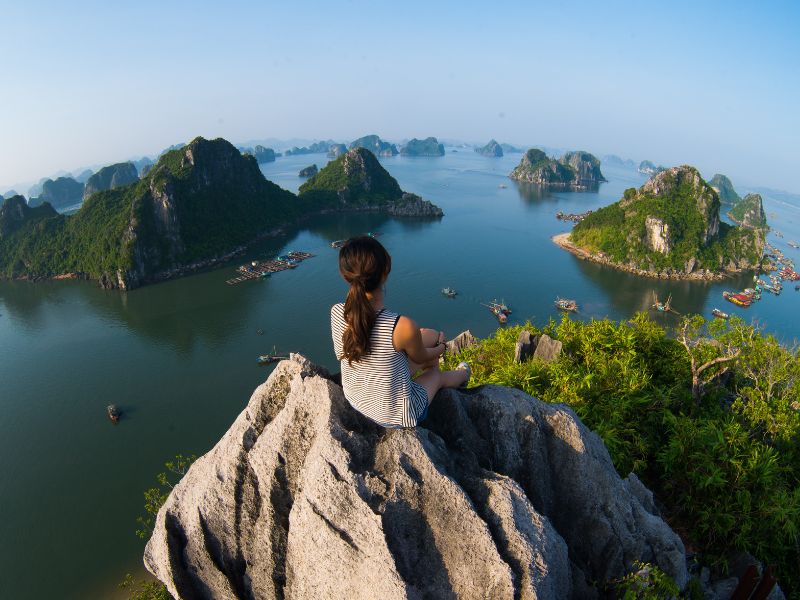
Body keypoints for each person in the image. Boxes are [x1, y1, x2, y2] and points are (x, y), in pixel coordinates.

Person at [330, 236, 470, 428]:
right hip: (394, 414)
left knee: (426, 334)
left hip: (356, 397)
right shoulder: (400, 325)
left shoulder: (338, 312)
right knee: (437, 376)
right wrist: (442, 347)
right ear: (385, 272)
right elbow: (420, 357)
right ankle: (463, 374)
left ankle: (431, 369)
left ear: (345, 275)